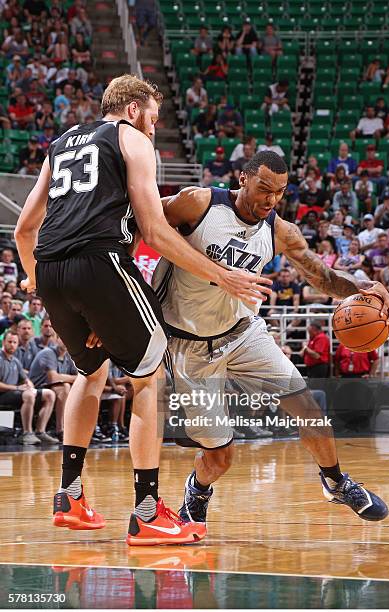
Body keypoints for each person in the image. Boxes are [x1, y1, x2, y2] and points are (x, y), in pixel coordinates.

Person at [15, 75, 271, 544]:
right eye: (153, 116)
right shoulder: (129, 137)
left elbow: (22, 230)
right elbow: (153, 229)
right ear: (133, 109)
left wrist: (39, 282)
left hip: (52, 269)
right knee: (148, 378)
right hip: (99, 261)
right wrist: (223, 275)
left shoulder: (60, 144)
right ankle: (148, 513)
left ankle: (69, 497)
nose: (154, 127)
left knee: (90, 374)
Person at [149, 151, 389, 536]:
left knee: (308, 407)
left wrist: (361, 287)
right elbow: (139, 221)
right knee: (220, 456)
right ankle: (197, 492)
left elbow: (322, 276)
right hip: (188, 345)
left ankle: (335, 481)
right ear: (243, 179)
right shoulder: (198, 203)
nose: (271, 200)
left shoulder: (280, 231)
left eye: (279, 193)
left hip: (243, 331)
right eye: (264, 189)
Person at [0, 330, 58, 445]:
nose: (12, 344)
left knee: (49, 394)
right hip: (2, 395)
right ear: (3, 342)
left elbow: (26, 379)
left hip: (14, 393)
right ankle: (27, 433)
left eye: (14, 342)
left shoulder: (15, 361)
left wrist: (29, 385)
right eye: (9, 342)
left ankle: (40, 431)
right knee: (28, 395)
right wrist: (17, 388)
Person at [29, 335, 77, 441]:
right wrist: (73, 378)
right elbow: (53, 378)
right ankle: (61, 430)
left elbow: (81, 377)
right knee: (65, 387)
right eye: (63, 338)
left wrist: (72, 378)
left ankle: (85, 429)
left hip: (52, 388)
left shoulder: (69, 356)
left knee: (77, 389)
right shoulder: (48, 353)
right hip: (36, 388)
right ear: (56, 340)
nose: (66, 342)